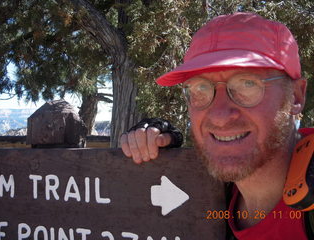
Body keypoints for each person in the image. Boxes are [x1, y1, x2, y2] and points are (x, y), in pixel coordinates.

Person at [120, 12, 313, 239]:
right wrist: (155, 143)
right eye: (200, 88)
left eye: (248, 84)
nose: (220, 116)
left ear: (296, 98)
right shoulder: (215, 195)